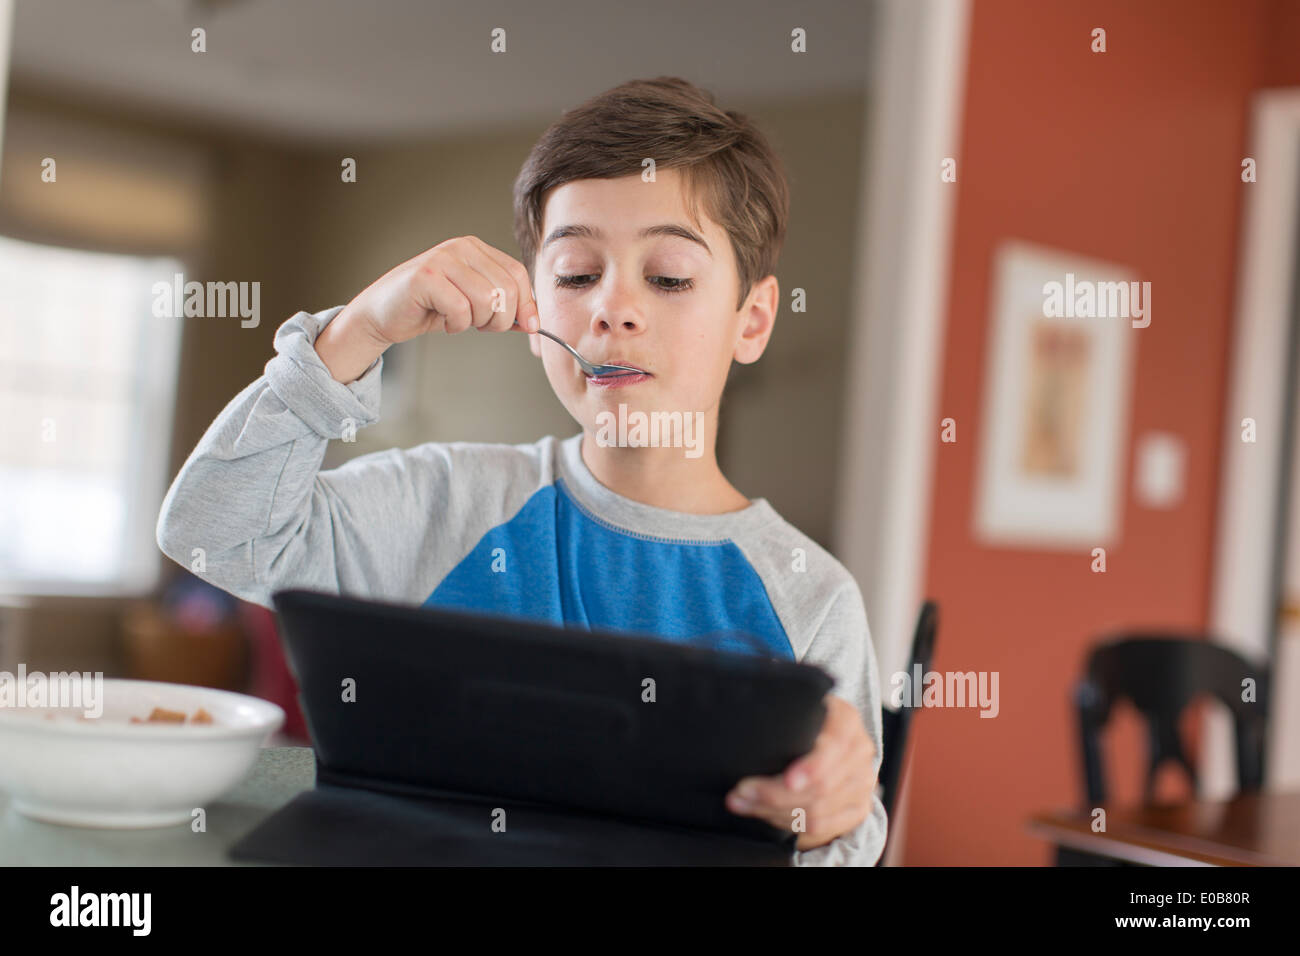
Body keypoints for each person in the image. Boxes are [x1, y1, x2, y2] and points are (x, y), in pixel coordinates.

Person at [157, 76, 887, 865]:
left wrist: (832, 816)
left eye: (669, 277)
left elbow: (838, 839)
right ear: (536, 315)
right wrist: (356, 331)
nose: (614, 307)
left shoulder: (811, 599)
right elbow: (211, 534)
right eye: (575, 275)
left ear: (752, 320)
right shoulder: (442, 504)